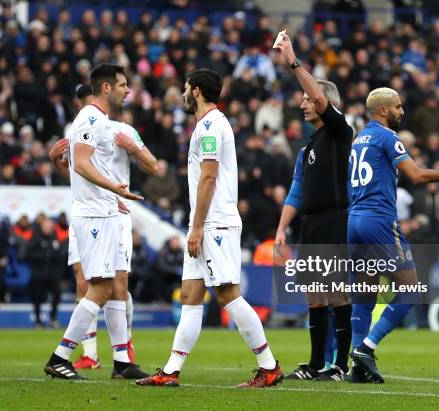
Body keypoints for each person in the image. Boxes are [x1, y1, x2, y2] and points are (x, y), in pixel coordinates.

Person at [136, 69, 283, 388]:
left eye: (187, 89)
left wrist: (198, 226)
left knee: (228, 295)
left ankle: (268, 366)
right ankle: (172, 371)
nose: (183, 94)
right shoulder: (207, 126)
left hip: (214, 223)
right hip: (204, 222)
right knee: (190, 294)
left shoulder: (212, 127)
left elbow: (209, 177)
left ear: (198, 91)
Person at [348, 87, 439, 383]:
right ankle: (366, 349)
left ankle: (356, 369)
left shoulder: (359, 139)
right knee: (411, 290)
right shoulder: (387, 136)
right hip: (379, 220)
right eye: (398, 106)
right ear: (383, 110)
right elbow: (417, 175)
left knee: (364, 293)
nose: (402, 111)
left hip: (355, 220)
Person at [50, 82, 159, 377]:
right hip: (96, 212)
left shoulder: (120, 130)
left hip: (112, 211)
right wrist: (55, 161)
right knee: (93, 285)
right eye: (123, 86)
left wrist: (132, 148)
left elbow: (155, 167)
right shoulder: (86, 123)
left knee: (114, 286)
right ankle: (69, 355)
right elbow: (78, 171)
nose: (127, 91)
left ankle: (121, 357)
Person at [273, 33, 353, 382]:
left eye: (308, 100)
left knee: (336, 291)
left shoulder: (339, 132)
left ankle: (341, 364)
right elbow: (296, 192)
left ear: (324, 104)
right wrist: (280, 229)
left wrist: (293, 60)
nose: (303, 104)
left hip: (335, 218)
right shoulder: (309, 148)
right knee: (314, 296)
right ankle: (317, 363)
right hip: (311, 222)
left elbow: (319, 95)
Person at [26, 218, 64, 328]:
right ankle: (38, 320)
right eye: (46, 227)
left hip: (52, 274)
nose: (48, 229)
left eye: (50, 227)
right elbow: (29, 255)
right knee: (37, 297)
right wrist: (44, 255)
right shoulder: (34, 238)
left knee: (57, 294)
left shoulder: (55, 238)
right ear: (42, 227)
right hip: (38, 274)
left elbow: (60, 254)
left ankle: (53, 318)